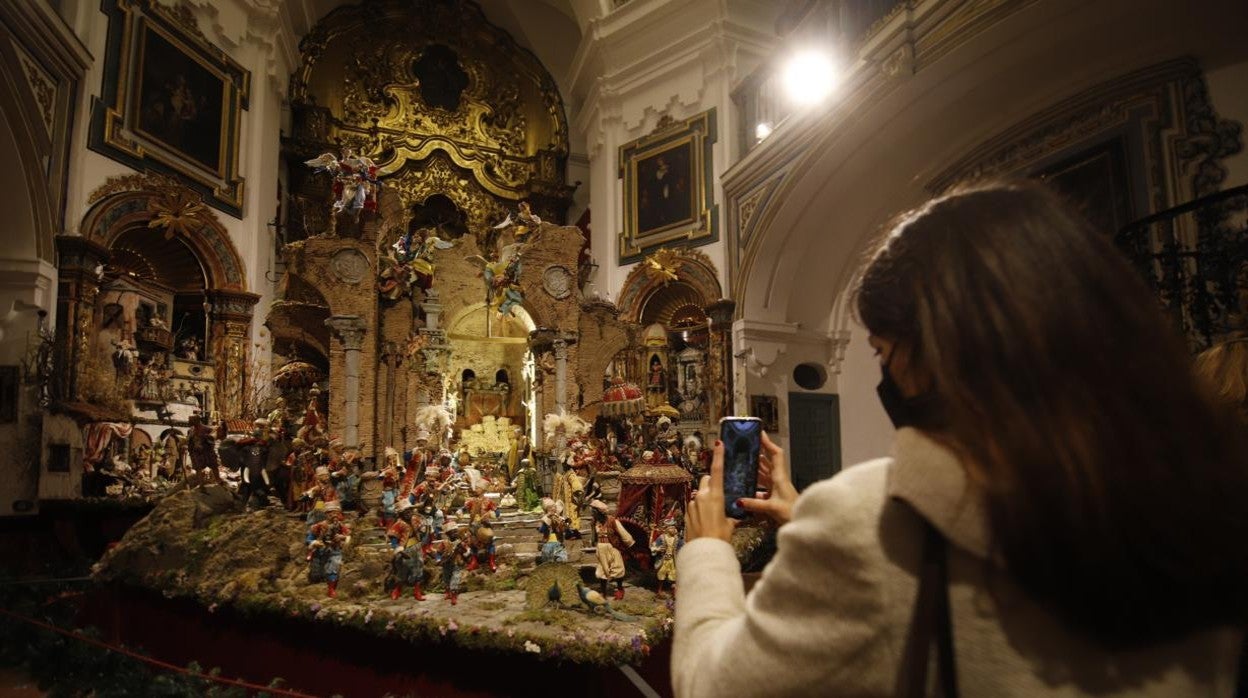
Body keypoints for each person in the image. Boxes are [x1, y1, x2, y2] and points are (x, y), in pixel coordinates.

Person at [672, 181, 1248, 697]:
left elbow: (711, 685)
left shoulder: (868, 521)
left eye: (882, 352)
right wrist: (805, 518)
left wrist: (709, 551)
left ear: (942, 353)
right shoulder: (1206, 502)